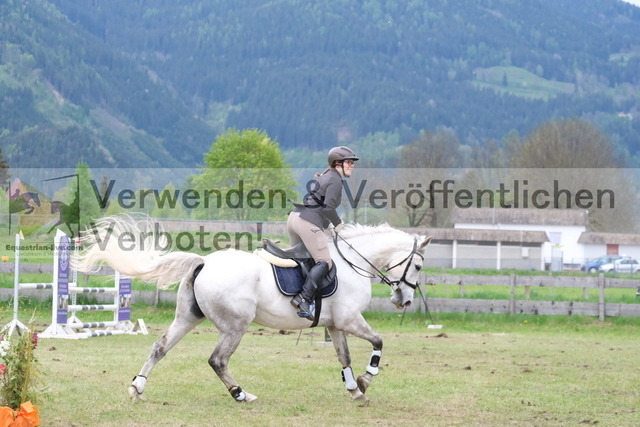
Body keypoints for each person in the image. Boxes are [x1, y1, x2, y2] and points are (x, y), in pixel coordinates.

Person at [288, 146, 359, 320]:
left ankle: (293, 292)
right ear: (337, 163)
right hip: (307, 222)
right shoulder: (335, 180)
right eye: (349, 162)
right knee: (324, 262)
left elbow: (318, 205)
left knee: (303, 260)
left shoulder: (326, 176)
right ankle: (304, 299)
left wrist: (328, 227)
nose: (352, 165)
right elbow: (328, 208)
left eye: (352, 162)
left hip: (295, 218)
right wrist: (338, 223)